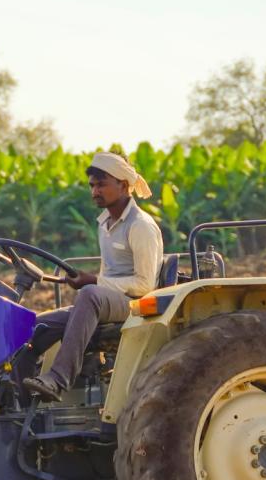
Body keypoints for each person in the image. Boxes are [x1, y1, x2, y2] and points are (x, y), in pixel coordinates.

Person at [20, 152, 164, 400]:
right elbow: (107, 275)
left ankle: (58, 379)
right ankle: (17, 398)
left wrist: (93, 281)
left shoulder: (141, 226)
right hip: (107, 301)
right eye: (92, 186)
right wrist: (86, 280)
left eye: (101, 185)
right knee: (31, 326)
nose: (95, 191)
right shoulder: (104, 224)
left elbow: (144, 285)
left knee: (89, 294)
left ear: (123, 184)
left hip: (136, 304)